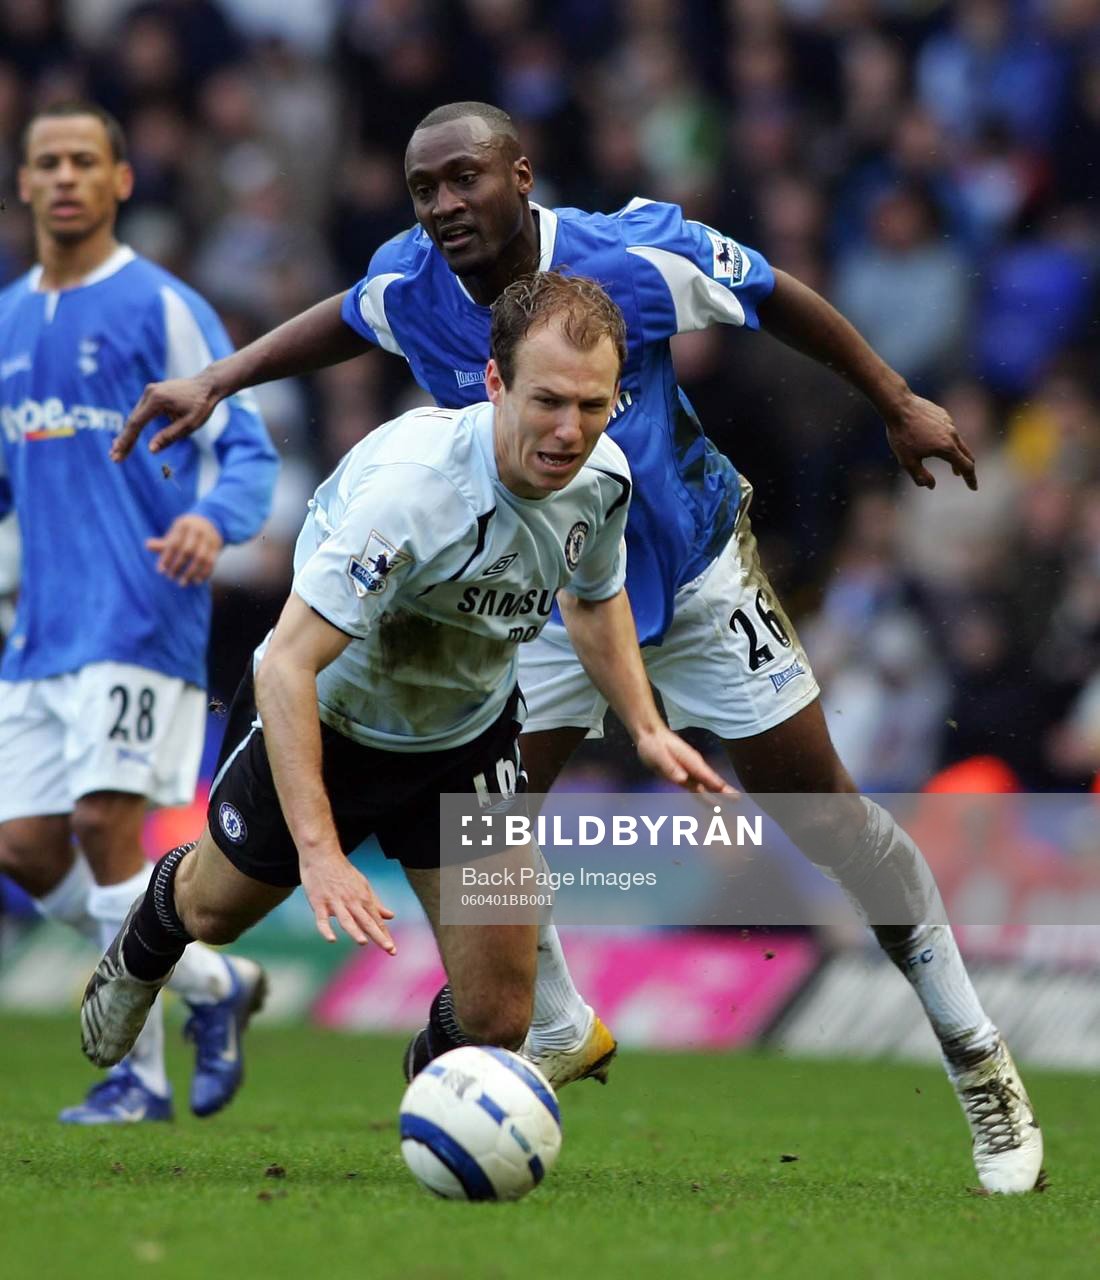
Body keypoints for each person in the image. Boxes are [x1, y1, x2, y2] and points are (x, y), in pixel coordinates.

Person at [110, 102, 1041, 1193]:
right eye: (425, 189)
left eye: (466, 179)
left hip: (693, 576)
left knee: (825, 816)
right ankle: (541, 1024)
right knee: (488, 819)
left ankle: (978, 1059)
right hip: (547, 599)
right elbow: (346, 316)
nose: (446, 205)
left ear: (520, 174)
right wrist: (219, 379)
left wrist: (892, 399)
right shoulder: (412, 281)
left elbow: (772, 293)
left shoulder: (628, 254)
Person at [79, 271, 730, 1083]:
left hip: (466, 740)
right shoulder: (417, 494)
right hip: (331, 720)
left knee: (500, 1018)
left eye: (593, 407)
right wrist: (320, 852)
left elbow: (593, 600)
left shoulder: (601, 482)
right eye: (549, 402)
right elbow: (286, 664)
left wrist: (646, 726)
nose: (570, 431)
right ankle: (142, 955)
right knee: (214, 914)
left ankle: (438, 1104)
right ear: (496, 383)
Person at [0, 102, 279, 1124]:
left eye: (85, 160)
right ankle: (217, 984)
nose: (65, 176)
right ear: (25, 183)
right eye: (47, 162)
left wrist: (212, 517)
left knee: (103, 829)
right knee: (25, 848)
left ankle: (138, 1077)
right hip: (39, 633)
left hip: (140, 613)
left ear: (120, 180)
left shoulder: (160, 305)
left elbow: (246, 443)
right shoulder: (6, 320)